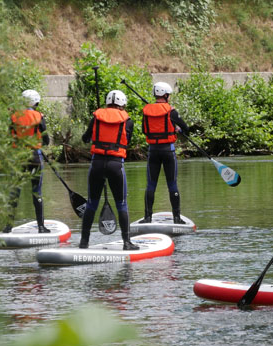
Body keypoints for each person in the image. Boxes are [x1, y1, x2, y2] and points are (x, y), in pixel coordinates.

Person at [78, 89, 139, 250]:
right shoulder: (128, 121)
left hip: (97, 164)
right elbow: (127, 142)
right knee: (122, 204)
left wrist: (98, 128)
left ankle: (84, 242)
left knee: (91, 204)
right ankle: (127, 243)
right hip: (115, 165)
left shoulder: (96, 117)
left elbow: (85, 138)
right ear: (122, 104)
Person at [140, 81, 190, 224]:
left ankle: (147, 217)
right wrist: (177, 130)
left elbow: (145, 130)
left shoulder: (146, 111)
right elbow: (185, 128)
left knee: (151, 185)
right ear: (166, 95)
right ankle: (176, 218)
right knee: (172, 184)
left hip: (153, 152)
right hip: (168, 151)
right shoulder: (171, 111)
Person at [4, 89, 51, 233]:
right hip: (35, 157)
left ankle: (8, 227)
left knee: (15, 192)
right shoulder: (38, 116)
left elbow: (10, 136)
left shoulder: (14, 117)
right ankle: (41, 227)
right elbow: (46, 139)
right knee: (36, 192)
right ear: (35, 102)